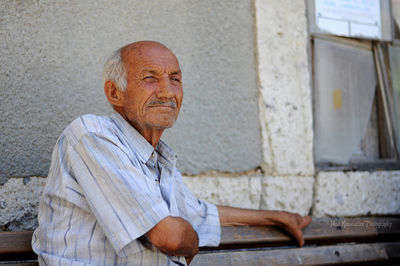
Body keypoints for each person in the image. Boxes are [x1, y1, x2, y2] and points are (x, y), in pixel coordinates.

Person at [32, 41, 311, 265]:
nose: (167, 92)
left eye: (175, 79)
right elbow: (173, 237)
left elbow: (199, 213)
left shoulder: (158, 161)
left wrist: (277, 218)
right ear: (115, 93)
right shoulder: (92, 135)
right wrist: (186, 235)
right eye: (150, 78)